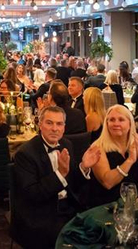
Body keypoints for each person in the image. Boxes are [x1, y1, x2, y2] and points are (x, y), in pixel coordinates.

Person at [13, 106, 101, 248]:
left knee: (97, 231)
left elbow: (72, 182)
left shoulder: (66, 144)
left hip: (68, 207)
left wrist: (83, 167)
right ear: (40, 124)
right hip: (40, 213)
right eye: (49, 123)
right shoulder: (25, 154)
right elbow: (33, 194)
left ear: (64, 127)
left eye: (59, 124)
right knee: (71, 241)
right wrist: (60, 174)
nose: (55, 128)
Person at [88, 105, 138, 207]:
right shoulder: (97, 147)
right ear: (107, 124)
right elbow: (107, 183)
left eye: (121, 120)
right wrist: (130, 160)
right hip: (109, 205)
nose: (116, 123)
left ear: (130, 124)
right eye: (112, 120)